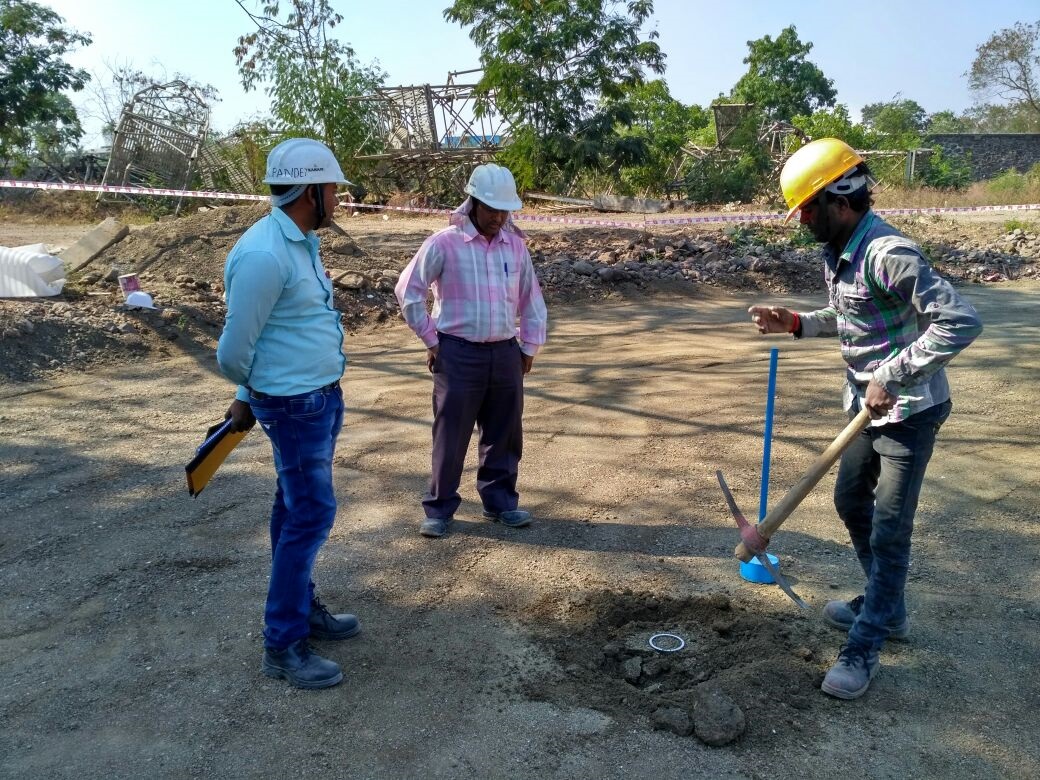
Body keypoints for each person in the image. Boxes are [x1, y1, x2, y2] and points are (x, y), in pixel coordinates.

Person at [748, 138, 982, 700]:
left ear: (840, 199)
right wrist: (798, 323)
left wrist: (894, 373)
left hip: (910, 413)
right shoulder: (840, 250)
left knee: (890, 529)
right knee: (851, 501)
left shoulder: (888, 252)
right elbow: (854, 314)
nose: (803, 221)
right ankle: (886, 605)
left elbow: (959, 321)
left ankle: (866, 642)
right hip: (862, 410)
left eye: (807, 209)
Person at [216, 138, 359, 690]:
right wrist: (256, 393)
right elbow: (234, 351)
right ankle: (282, 643)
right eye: (333, 190)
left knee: (292, 506)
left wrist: (251, 394)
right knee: (312, 514)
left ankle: (300, 610)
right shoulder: (264, 254)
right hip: (295, 406)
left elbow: (277, 333)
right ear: (310, 191)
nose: (338, 200)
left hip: (316, 399)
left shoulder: (299, 241)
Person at [394, 163, 548, 539]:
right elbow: (408, 291)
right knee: (451, 435)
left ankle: (500, 502)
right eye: (492, 209)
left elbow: (531, 300)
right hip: (457, 353)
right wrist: (432, 340)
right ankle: (439, 508)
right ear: (473, 203)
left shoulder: (515, 247)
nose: (498, 218)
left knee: (504, 433)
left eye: (504, 211)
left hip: (505, 352)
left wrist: (528, 347)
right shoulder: (444, 244)